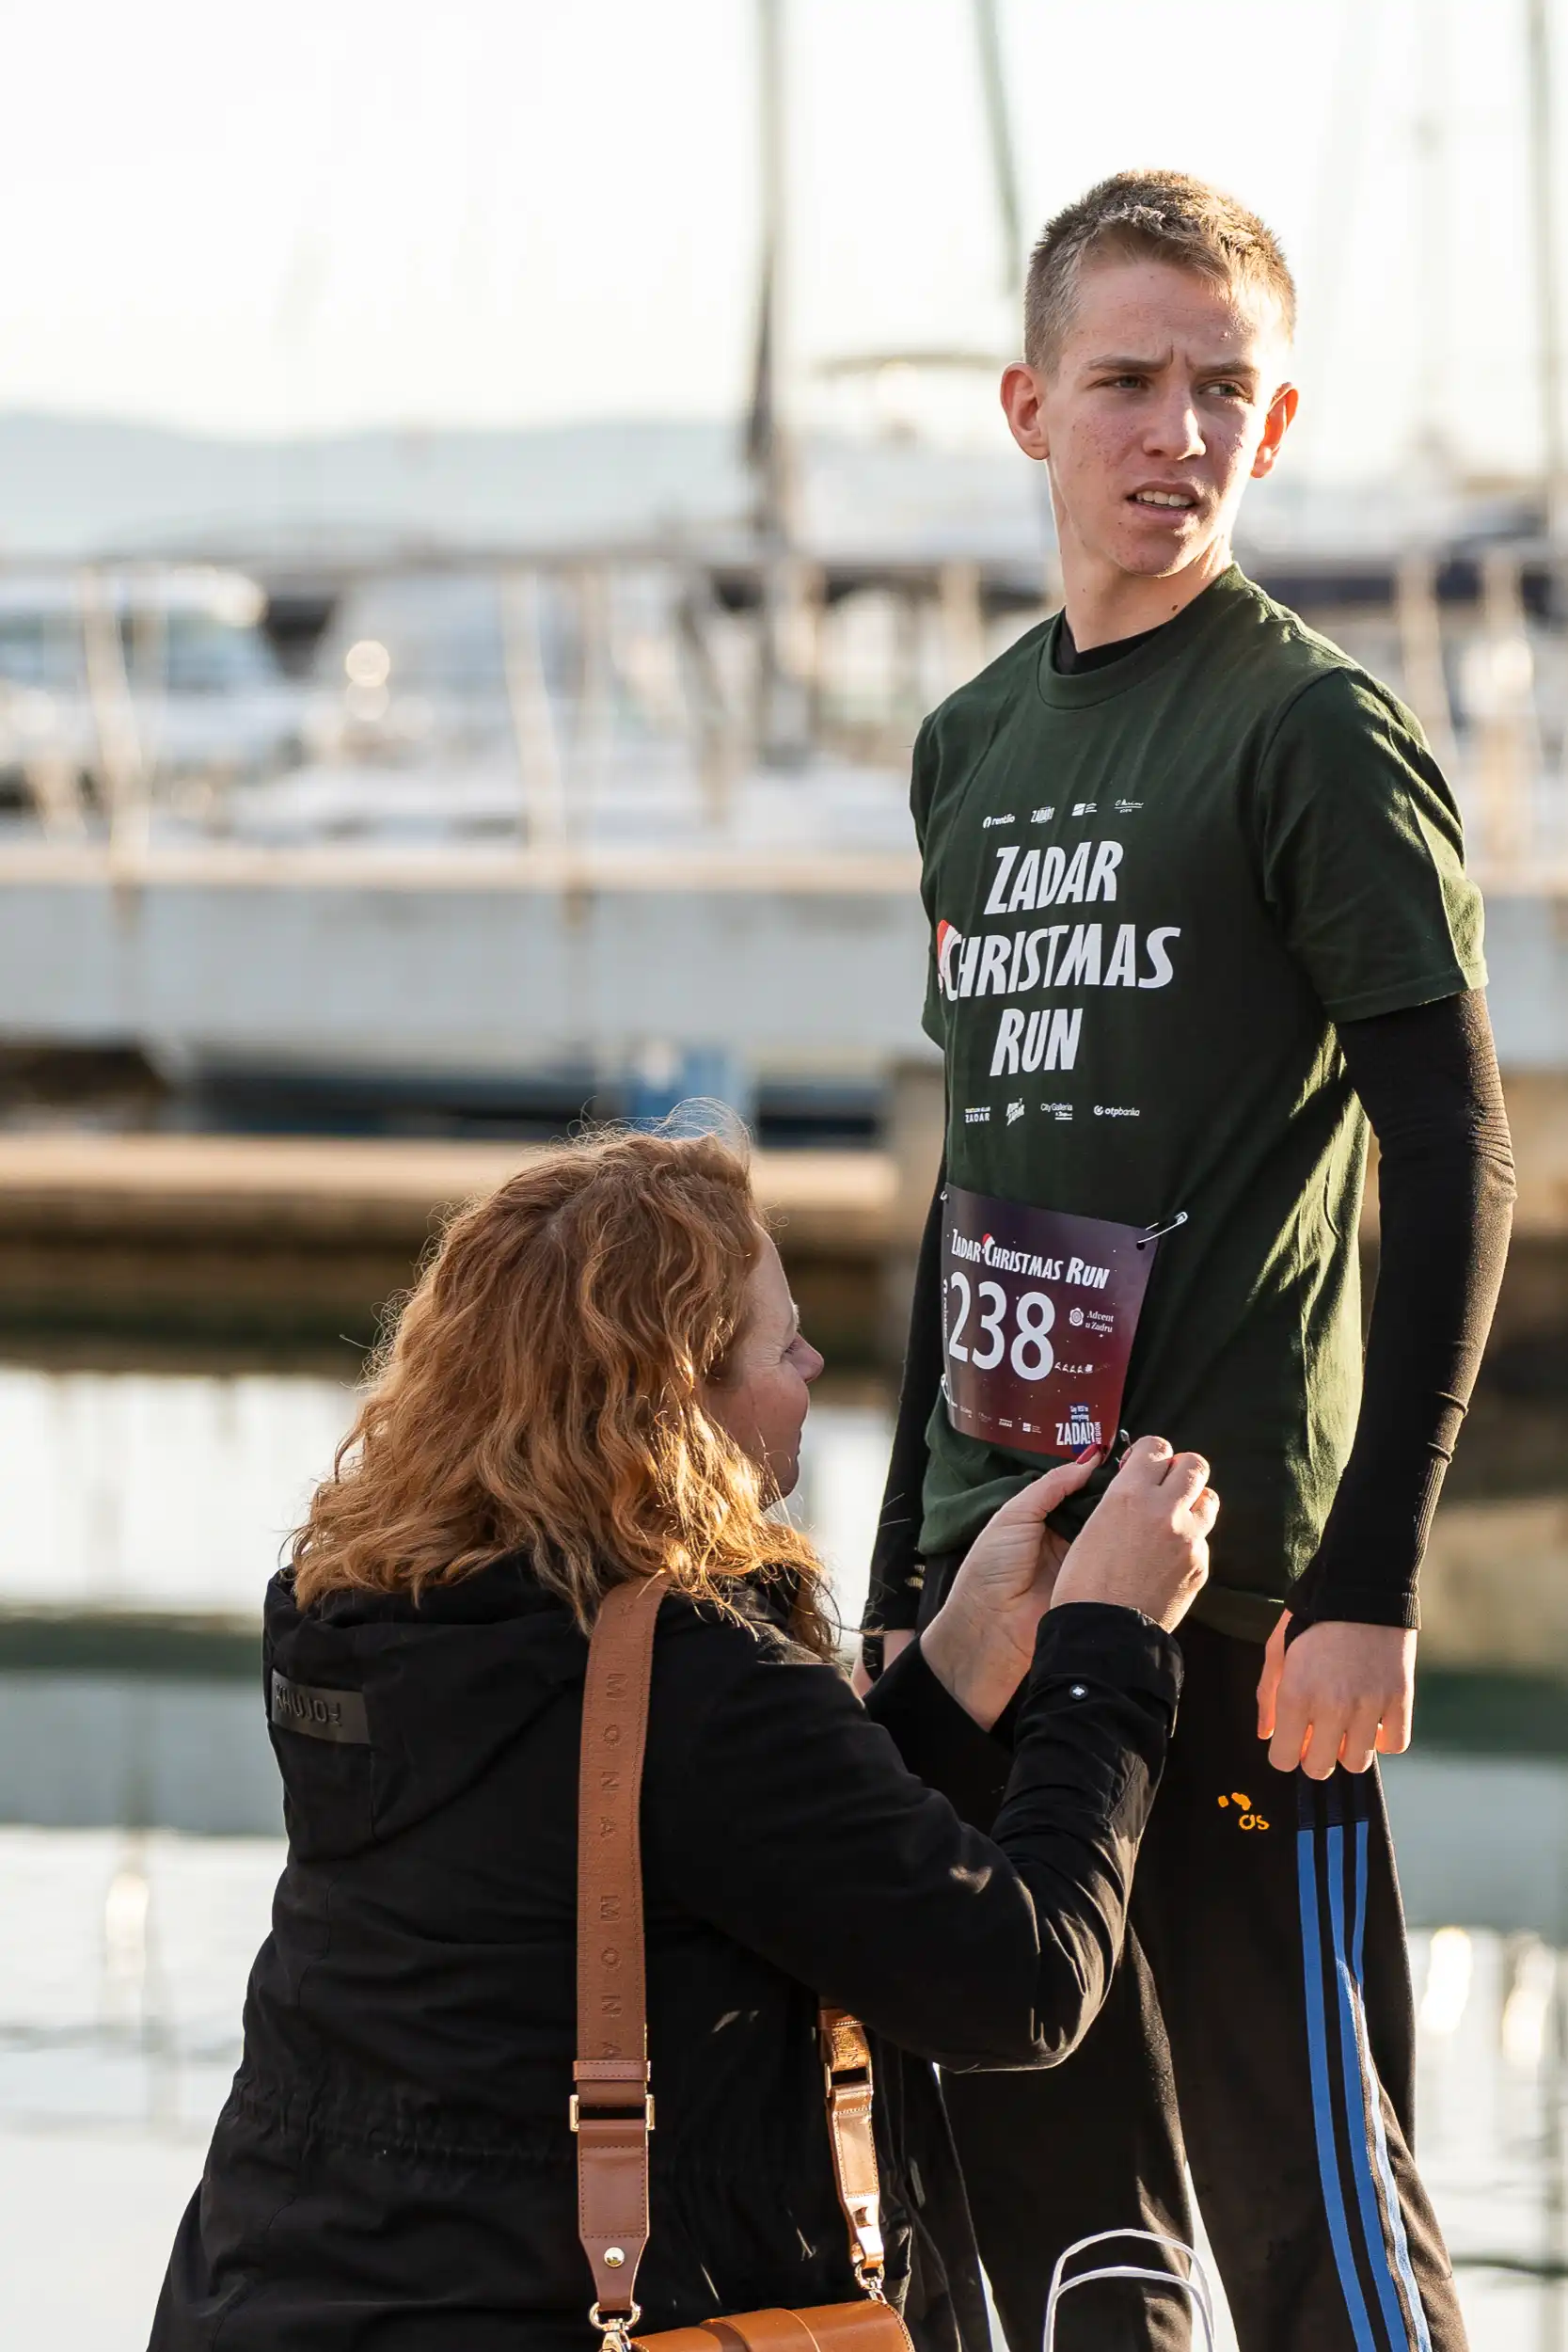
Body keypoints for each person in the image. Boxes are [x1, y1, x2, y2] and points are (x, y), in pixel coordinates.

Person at [858, 171, 1516, 2352]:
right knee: (1055, 2248)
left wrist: (1370, 1579)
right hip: (994, 1594)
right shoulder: (969, 745)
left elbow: (1453, 1146)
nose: (1173, 428)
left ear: (1276, 414)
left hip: (1239, 1607)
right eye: (1127, 381)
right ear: (1028, 407)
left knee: (1314, 2217)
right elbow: (978, 1185)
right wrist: (900, 1570)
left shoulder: (1306, 732)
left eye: (1219, 387)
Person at [148, 1127, 1218, 2352]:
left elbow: (699, 1854)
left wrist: (964, 1654)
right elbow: (1019, 1990)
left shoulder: (356, 1621)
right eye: (778, 1342)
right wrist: (1105, 1649)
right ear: (674, 1405)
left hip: (264, 2293)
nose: (815, 1358)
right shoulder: (695, 1678)